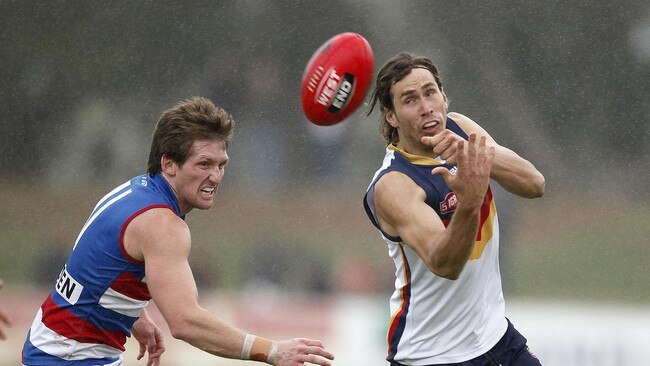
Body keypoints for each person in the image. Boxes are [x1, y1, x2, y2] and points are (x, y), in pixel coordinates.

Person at [23, 97, 335, 366]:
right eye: (204, 164)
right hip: (70, 357)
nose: (215, 176)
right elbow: (185, 322)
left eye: (221, 164)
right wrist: (273, 351)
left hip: (51, 347)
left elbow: (95, 267)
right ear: (169, 164)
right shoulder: (162, 224)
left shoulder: (134, 191)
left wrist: (131, 314)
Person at [363, 52, 545, 366]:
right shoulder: (394, 185)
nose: (425, 108)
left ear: (445, 96)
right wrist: (470, 201)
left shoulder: (460, 128)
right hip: (431, 355)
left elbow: (534, 184)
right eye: (409, 100)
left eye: (430, 93)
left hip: (497, 339)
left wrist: (471, 153)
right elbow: (445, 264)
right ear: (391, 116)